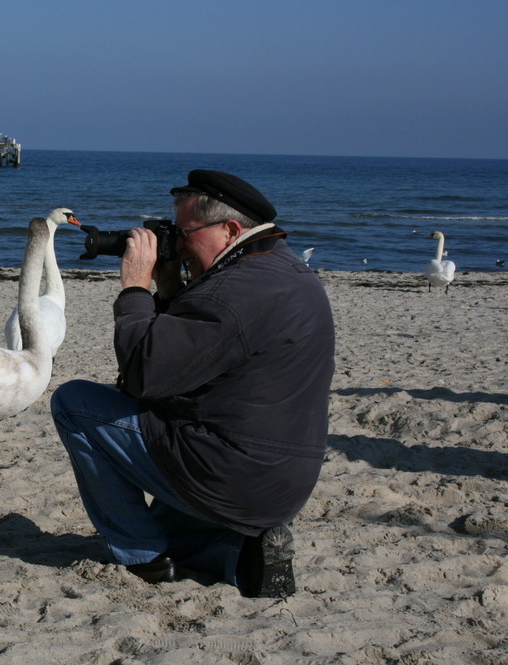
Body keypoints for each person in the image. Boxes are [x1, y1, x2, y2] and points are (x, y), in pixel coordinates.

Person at [50, 169, 335, 597]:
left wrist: (135, 287)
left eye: (185, 233)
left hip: (233, 476)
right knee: (180, 538)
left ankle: (141, 558)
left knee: (75, 403)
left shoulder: (228, 294)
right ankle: (242, 550)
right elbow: (189, 360)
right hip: (281, 478)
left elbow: (144, 376)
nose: (178, 245)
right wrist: (167, 286)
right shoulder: (283, 270)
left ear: (231, 230)